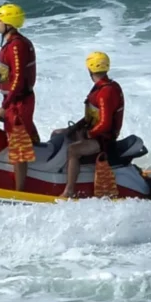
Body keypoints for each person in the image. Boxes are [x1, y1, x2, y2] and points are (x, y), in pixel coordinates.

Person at [0, 3, 39, 191]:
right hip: (14, 100)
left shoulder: (17, 46)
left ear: (8, 23)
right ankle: (37, 173)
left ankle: (20, 190)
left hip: (18, 102)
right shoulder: (10, 44)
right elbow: (6, 76)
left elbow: (18, 78)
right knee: (25, 137)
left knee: (19, 148)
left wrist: (5, 106)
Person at [56, 51, 124, 198]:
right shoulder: (102, 87)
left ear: (90, 69)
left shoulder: (105, 92)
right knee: (57, 134)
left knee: (73, 150)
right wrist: (72, 129)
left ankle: (69, 191)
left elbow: (105, 124)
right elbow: (90, 117)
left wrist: (87, 135)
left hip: (103, 140)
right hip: (94, 133)